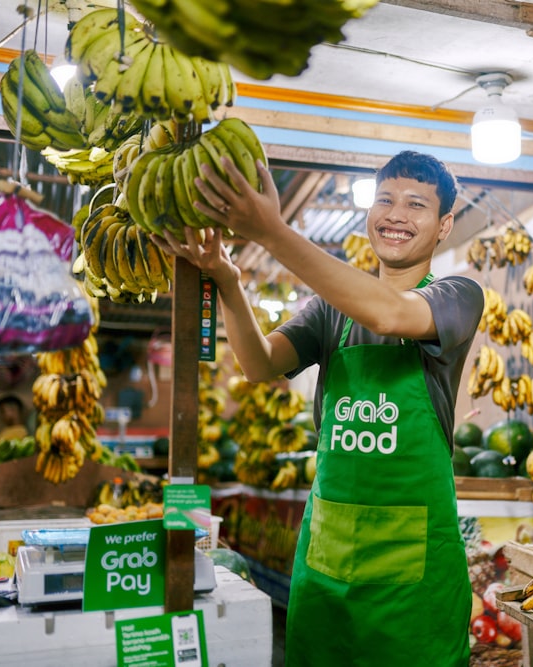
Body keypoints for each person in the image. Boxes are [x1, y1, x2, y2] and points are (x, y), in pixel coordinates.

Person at [152, 150, 484, 666]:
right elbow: (259, 363)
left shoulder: (457, 296)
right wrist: (228, 279)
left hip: (413, 581)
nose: (396, 214)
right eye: (385, 200)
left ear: (443, 227)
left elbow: (390, 312)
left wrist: (272, 232)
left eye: (416, 205)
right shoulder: (330, 313)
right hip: (326, 563)